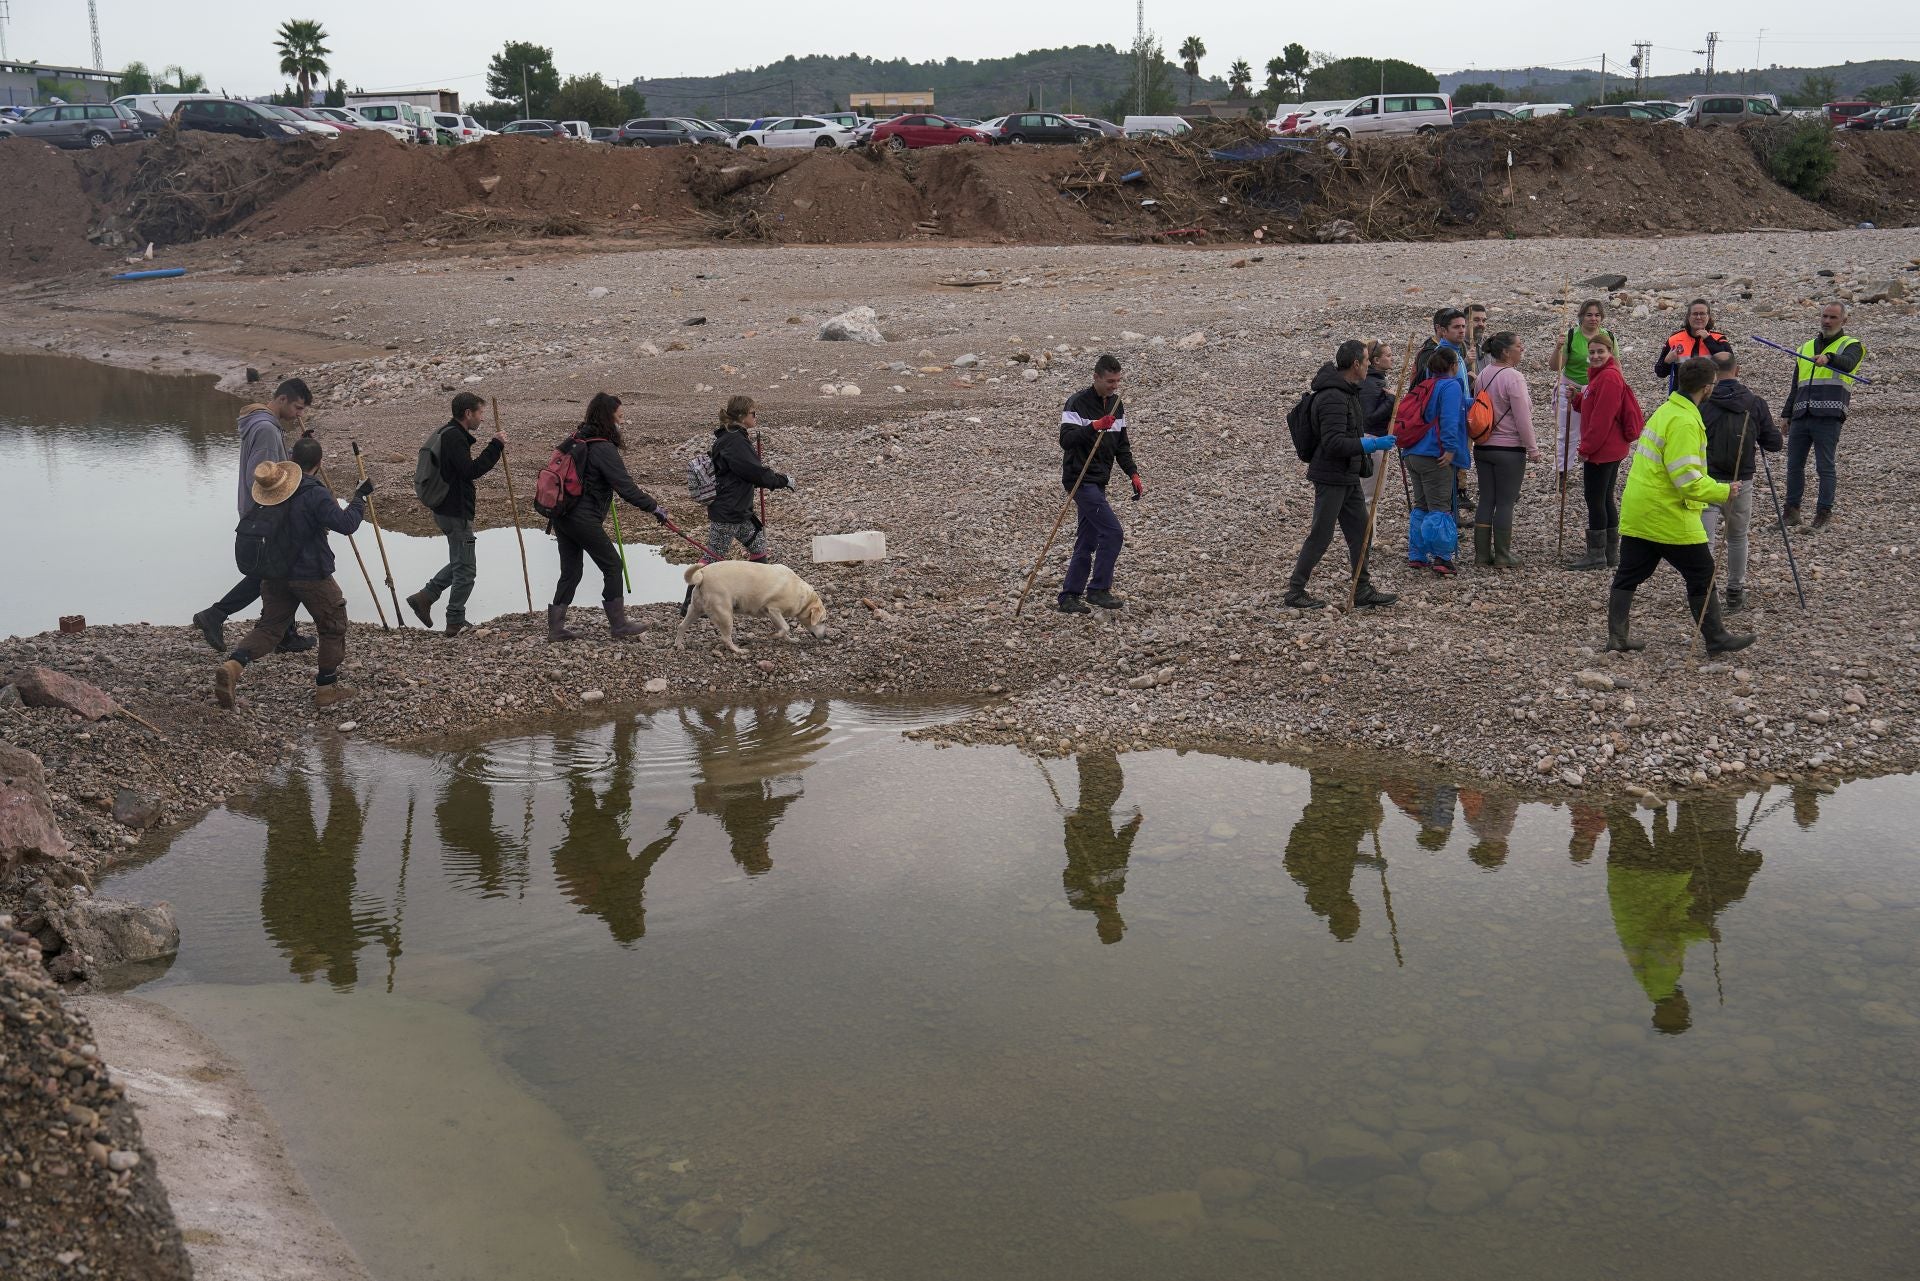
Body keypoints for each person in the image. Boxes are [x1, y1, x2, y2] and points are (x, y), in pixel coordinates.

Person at [1606, 356, 1753, 655]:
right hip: (1666, 512)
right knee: (1702, 570)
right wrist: (1724, 490)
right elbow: (1686, 480)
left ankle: (1617, 637)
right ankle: (1716, 637)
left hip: (1640, 507)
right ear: (1707, 387)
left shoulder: (1667, 410)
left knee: (1630, 572)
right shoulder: (1685, 421)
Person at [213, 437, 371, 710]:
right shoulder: (314, 493)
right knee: (333, 625)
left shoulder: (268, 494)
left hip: (274, 573)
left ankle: (234, 663)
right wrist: (360, 498)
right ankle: (326, 688)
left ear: (292, 459)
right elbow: (346, 525)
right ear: (319, 464)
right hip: (311, 573)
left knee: (271, 627)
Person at [192, 378, 316, 654]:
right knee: (272, 572)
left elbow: (272, 470)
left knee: (276, 572)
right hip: (267, 513)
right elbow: (258, 478)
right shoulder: (266, 430)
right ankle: (216, 615)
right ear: (282, 399)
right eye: (297, 408)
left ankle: (283, 632)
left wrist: (299, 455)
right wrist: (278, 513)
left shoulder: (261, 424)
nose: (300, 415)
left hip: (261, 511)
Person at [546, 392, 670, 642]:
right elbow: (626, 487)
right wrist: (654, 508)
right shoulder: (602, 447)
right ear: (607, 417)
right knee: (613, 566)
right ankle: (619, 625)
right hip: (582, 518)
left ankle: (556, 629)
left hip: (562, 515)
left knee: (571, 571)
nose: (622, 421)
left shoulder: (576, 438)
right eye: (620, 416)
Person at [1284, 340, 1398, 608]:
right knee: (1321, 534)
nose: (1370, 365)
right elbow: (1334, 443)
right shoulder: (1333, 396)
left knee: (1362, 530)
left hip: (1348, 474)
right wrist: (1371, 444)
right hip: (1331, 475)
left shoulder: (1348, 391)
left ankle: (1362, 588)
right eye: (1367, 361)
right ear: (1356, 364)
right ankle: (1295, 591)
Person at [405, 391, 505, 638]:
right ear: (468, 413)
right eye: (480, 413)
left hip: (446, 510)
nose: (482, 418)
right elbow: (470, 470)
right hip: (455, 513)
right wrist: (496, 446)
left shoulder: (448, 433)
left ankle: (425, 597)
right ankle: (454, 621)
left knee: (462, 562)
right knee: (467, 570)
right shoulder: (455, 438)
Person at [1056, 353, 1143, 614]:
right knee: (1113, 533)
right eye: (1109, 381)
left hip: (1099, 481)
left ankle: (1069, 596)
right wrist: (1094, 426)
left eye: (1117, 381)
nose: (1114, 386)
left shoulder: (1117, 405)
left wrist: (1133, 473)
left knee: (1087, 538)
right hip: (1080, 480)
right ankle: (1098, 590)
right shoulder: (1076, 403)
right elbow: (1066, 440)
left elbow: (1122, 446)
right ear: (1096, 377)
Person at [1700, 352, 1782, 611]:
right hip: (1741, 479)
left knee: (1706, 538)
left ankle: (1705, 592)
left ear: (1713, 373)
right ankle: (1735, 590)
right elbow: (1774, 443)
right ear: (1738, 370)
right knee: (1736, 537)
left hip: (1708, 479)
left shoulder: (1703, 402)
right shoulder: (1755, 403)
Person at [1781, 301, 1865, 530]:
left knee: (1824, 466)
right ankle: (1791, 512)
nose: (1827, 321)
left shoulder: (1852, 345)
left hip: (1829, 414)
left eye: (1833, 317)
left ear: (1843, 321)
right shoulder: (1806, 347)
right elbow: (1795, 385)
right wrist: (1786, 414)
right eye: (1824, 316)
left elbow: (1848, 364)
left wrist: (1829, 358)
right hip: (1801, 413)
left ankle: (1823, 513)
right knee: (1794, 465)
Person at [1564, 333, 1643, 571]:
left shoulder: (1608, 378)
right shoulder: (1601, 376)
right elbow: (1593, 405)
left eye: (1601, 352)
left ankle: (1598, 554)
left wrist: (1586, 449)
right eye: (1592, 352)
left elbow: (1602, 418)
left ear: (1610, 353)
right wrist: (1577, 399)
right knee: (1605, 497)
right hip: (1610, 447)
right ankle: (1610, 553)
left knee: (1595, 498)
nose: (1596, 356)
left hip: (1604, 449)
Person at [1470, 332, 1539, 568]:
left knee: (1486, 499)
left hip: (1483, 446)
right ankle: (1502, 555)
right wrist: (1533, 449)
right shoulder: (1514, 377)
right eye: (1519, 346)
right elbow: (1523, 418)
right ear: (1507, 352)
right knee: (1506, 502)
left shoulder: (1483, 374)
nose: (1523, 350)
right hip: (1509, 449)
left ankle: (1481, 555)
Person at [1061, 751, 1142, 944]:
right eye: (1117, 918)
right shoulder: (1117, 888)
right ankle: (1091, 751)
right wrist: (1132, 827)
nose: (1116, 912)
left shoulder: (1079, 901)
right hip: (1099, 822)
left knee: (1100, 791)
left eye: (1113, 919)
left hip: (1083, 829)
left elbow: (1069, 876)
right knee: (1110, 787)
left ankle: (1087, 751)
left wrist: (1094, 896)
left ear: (1101, 924)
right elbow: (1121, 852)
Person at [1404, 346, 1471, 576]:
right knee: (1441, 508)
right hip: (1435, 455)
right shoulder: (1451, 386)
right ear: (1454, 366)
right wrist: (1451, 449)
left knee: (1421, 505)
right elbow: (1449, 420)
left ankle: (1417, 554)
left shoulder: (1425, 385)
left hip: (1412, 452)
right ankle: (1443, 557)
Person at [704, 396, 793, 567]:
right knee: (712, 558)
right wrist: (783, 480)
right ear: (742, 416)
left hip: (738, 510)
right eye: (753, 413)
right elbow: (755, 473)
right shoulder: (735, 441)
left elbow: (745, 474)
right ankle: (690, 595)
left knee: (758, 546)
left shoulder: (731, 437)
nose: (755, 416)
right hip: (729, 513)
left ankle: (759, 591)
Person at [1548, 299, 1612, 479]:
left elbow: (1616, 364)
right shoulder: (1570, 336)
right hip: (1570, 388)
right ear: (1581, 316)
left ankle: (1593, 469)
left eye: (1597, 315)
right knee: (1568, 431)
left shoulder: (1608, 337)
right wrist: (1558, 347)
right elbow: (1555, 366)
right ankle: (1562, 471)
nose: (1593, 319)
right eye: (1589, 315)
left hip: (1597, 390)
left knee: (1595, 430)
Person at [1652, 298, 1731, 393]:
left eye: (1702, 313)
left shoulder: (1719, 339)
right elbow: (1660, 372)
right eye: (1695, 314)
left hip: (1711, 397)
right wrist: (1666, 361)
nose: (1698, 317)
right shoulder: (1675, 339)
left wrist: (1708, 340)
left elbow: (1729, 367)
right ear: (1688, 317)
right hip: (1683, 396)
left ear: (1708, 317)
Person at [1357, 339, 1399, 435]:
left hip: (1378, 437)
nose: (1392, 358)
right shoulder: (1369, 383)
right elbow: (1368, 418)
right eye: (1388, 356)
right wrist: (1391, 399)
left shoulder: (1377, 379)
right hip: (1370, 439)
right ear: (1376, 360)